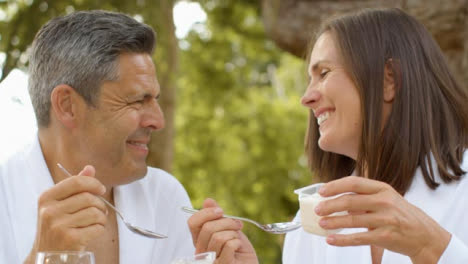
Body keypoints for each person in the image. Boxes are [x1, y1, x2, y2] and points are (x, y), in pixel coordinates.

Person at [186, 8, 468, 264]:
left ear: (388, 79)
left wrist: (431, 248)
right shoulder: (311, 223)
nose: (306, 98)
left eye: (324, 73)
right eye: (310, 78)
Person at [0, 10, 195, 263]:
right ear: (67, 106)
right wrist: (45, 257)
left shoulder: (165, 197)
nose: (158, 121)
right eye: (137, 100)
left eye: (155, 100)